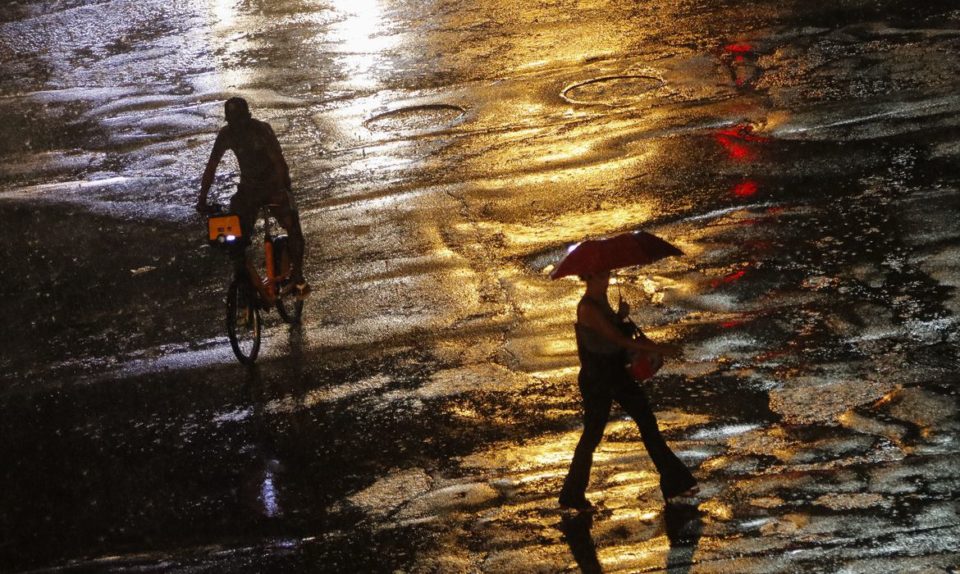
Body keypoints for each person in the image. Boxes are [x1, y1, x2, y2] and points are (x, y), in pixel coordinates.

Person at [558, 270, 697, 511]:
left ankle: (676, 482)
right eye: (602, 275)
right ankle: (572, 494)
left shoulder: (601, 302)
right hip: (598, 379)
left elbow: (614, 334)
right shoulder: (588, 307)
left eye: (607, 274)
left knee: (647, 422)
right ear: (588, 277)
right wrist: (659, 348)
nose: (607, 278)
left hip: (614, 374)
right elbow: (616, 340)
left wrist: (621, 316)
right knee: (593, 435)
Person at [197, 97, 310, 299]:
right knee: (235, 233)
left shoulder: (259, 131)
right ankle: (243, 279)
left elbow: (279, 163)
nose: (238, 127)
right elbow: (211, 168)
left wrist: (285, 190)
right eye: (234, 123)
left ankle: (298, 275)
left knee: (292, 227)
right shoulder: (231, 134)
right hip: (249, 191)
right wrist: (202, 199)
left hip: (272, 188)